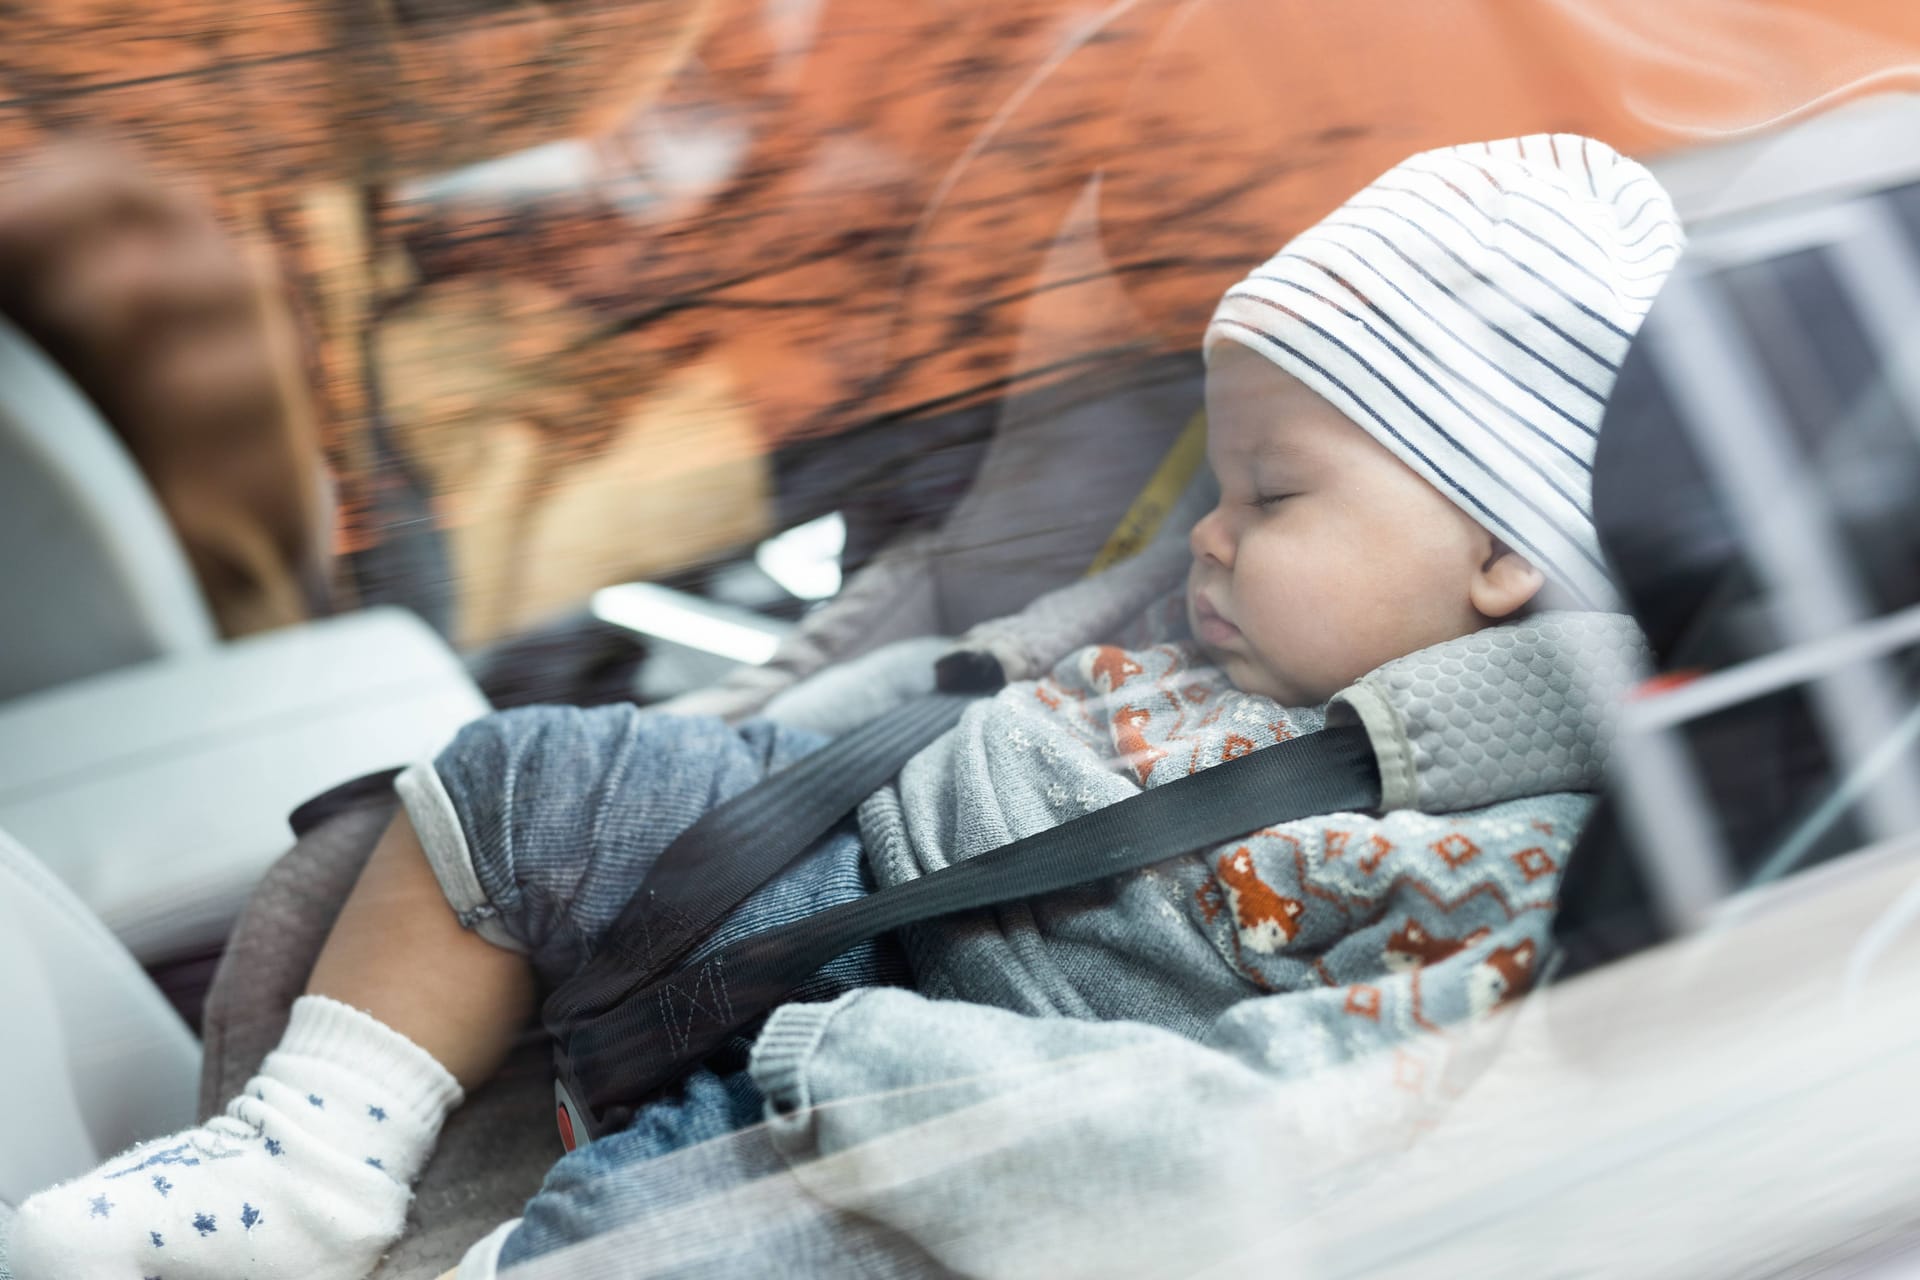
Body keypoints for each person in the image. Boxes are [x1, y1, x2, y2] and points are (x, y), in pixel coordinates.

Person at [5, 133, 1683, 1280]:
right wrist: (767, 745)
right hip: (866, 852)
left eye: (1271, 494)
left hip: (992, 1079)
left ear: (1497, 554)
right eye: (1217, 486)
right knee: (521, 775)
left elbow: (1286, 1135)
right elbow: (953, 686)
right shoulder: (1216, 621)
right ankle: (302, 1159)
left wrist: (867, 1060)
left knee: (692, 1232)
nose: (1213, 533)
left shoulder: (1513, 856)